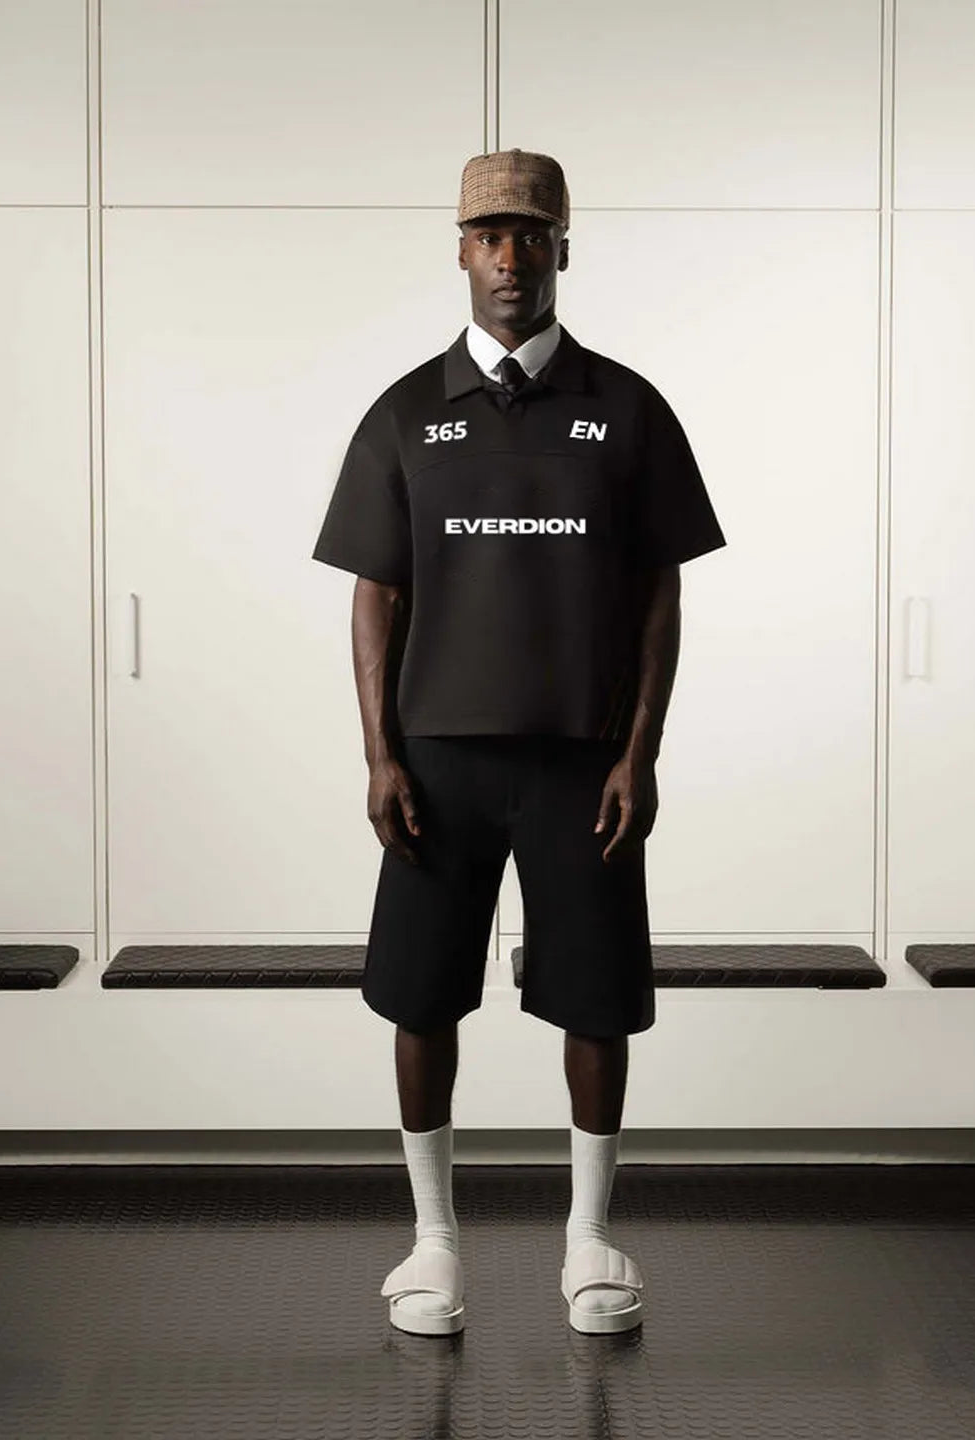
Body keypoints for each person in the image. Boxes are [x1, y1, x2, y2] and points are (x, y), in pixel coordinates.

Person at [311, 148, 727, 1337]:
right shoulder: (405, 413)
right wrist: (380, 755)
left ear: (562, 250)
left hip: (582, 761)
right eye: (489, 237)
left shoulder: (628, 409)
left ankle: (589, 1239)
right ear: (460, 251)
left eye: (531, 237)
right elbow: (376, 594)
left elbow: (660, 595)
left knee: (597, 1002)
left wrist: (639, 752)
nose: (509, 259)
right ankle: (432, 1244)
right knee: (421, 996)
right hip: (437, 762)